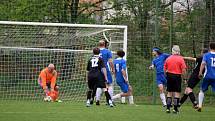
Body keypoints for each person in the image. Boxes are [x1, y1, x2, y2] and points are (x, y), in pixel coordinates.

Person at [164, 45, 187, 114]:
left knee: (169, 92)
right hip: (177, 76)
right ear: (179, 51)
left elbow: (164, 69)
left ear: (172, 51)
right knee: (177, 93)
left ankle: (168, 108)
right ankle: (175, 109)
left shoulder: (168, 58)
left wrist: (166, 76)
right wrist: (185, 78)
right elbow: (184, 70)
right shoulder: (181, 59)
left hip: (169, 75)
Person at [96, 40, 115, 105]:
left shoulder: (96, 51)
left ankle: (97, 100)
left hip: (97, 70)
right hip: (105, 69)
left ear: (99, 44)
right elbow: (110, 61)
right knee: (109, 84)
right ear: (104, 44)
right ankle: (110, 100)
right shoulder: (107, 51)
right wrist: (113, 69)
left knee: (99, 85)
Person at [197, 42, 215, 112]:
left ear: (210, 48)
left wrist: (200, 72)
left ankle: (200, 106)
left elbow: (203, 63)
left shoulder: (207, 55)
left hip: (207, 76)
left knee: (202, 90)